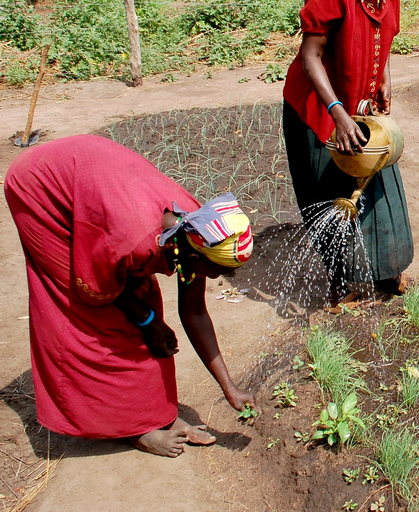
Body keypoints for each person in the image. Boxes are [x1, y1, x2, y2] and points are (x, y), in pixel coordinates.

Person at [3, 135, 256, 458]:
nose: (216, 278)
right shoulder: (136, 237)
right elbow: (96, 284)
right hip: (41, 189)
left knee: (142, 303)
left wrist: (229, 388)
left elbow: (194, 313)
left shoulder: (195, 229)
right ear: (195, 254)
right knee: (96, 310)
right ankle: (136, 428)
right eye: (215, 269)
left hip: (93, 181)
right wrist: (148, 320)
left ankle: (156, 415)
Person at [281, 0, 413, 302]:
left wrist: (384, 78)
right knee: (331, 201)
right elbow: (310, 56)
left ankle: (385, 272)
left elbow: (383, 35)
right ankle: (340, 284)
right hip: (320, 112)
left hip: (360, 109)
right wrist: (337, 113)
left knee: (378, 190)